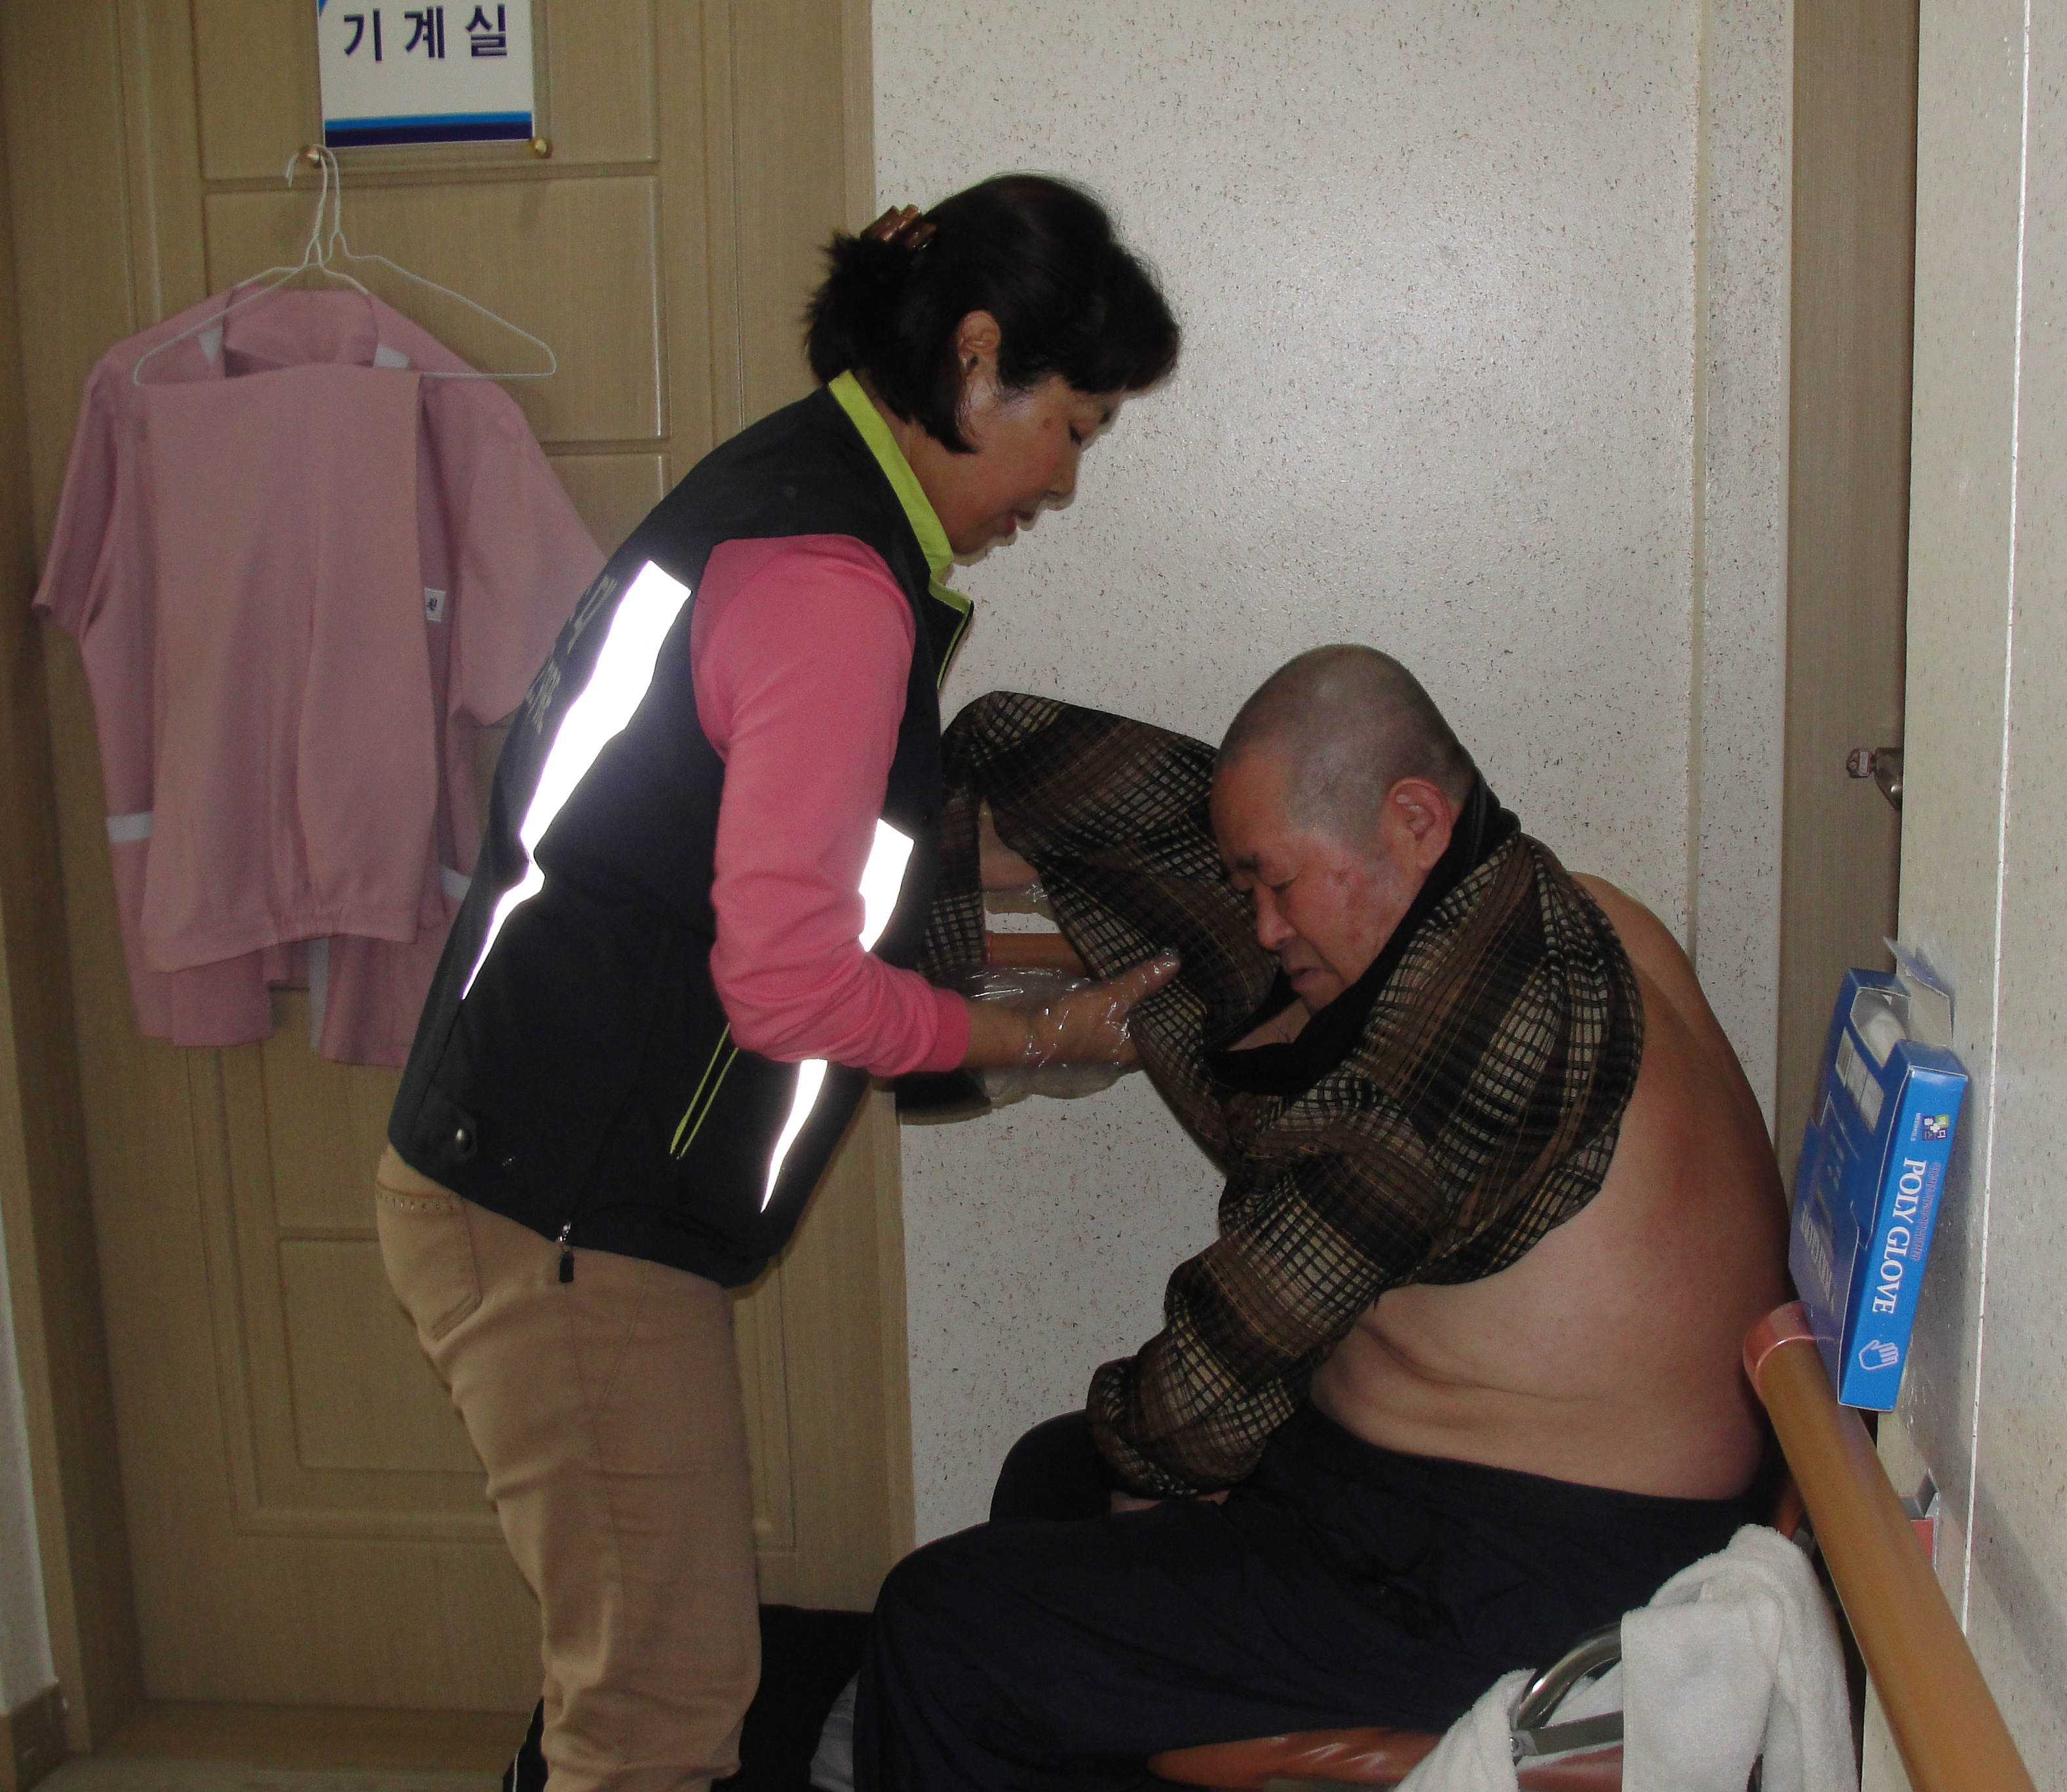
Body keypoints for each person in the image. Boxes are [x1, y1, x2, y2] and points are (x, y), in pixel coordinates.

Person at [373, 177, 1183, 1792]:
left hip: (540, 1173)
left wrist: (1013, 897)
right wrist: (1037, 1035)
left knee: (638, 1673)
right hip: (565, 1213)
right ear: (976, 359)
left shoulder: (794, 497)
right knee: (660, 1705)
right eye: (1073, 429)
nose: (1063, 482)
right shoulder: (831, 585)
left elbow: (737, 827)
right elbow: (792, 988)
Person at [855, 648, 1791, 1792]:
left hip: (1524, 1579)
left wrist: (1167, 1478)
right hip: (1497, 1508)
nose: (1260, 928)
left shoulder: (1449, 1065)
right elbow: (1100, 783)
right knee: (1050, 1478)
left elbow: (1206, 1389)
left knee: (942, 1628)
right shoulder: (1550, 900)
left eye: (1277, 885)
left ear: (1414, 819)